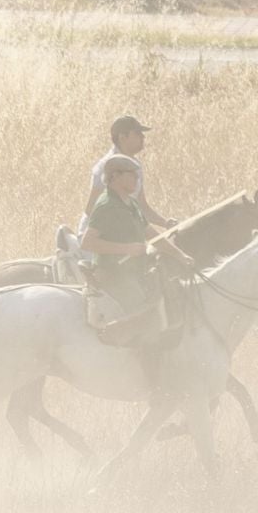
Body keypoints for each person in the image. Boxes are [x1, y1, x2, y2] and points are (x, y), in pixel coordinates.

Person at [80, 155, 193, 353]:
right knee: (147, 316)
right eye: (131, 175)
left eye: (137, 175)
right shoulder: (106, 206)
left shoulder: (131, 204)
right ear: (115, 177)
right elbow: (87, 242)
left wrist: (180, 256)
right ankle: (143, 366)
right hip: (113, 274)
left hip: (134, 272)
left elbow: (153, 235)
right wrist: (127, 249)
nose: (136, 180)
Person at [79, 115, 175, 233]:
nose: (143, 137)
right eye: (137, 133)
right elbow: (91, 210)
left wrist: (166, 223)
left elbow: (142, 207)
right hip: (95, 241)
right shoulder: (106, 166)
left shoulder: (136, 166)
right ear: (122, 137)